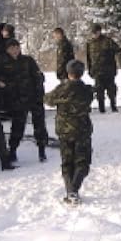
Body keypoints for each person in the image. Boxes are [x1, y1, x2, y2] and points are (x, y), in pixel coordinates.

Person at [45, 59, 95, 204]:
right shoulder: (86, 90)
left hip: (64, 131)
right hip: (82, 130)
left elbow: (48, 100)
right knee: (82, 162)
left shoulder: (61, 90)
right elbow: (91, 95)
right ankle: (74, 190)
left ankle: (70, 191)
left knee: (67, 162)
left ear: (68, 73)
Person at [0, 38, 50, 163]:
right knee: (17, 127)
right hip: (17, 101)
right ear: (7, 50)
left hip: (34, 98)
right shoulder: (3, 64)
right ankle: (12, 151)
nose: (15, 50)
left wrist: (39, 95)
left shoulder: (28, 60)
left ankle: (42, 151)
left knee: (40, 126)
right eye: (11, 48)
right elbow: (1, 81)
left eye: (16, 48)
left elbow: (38, 77)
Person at [86, 23, 121, 113]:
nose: (94, 34)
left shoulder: (107, 41)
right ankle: (101, 109)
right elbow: (88, 58)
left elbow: (118, 50)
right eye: (93, 33)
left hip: (109, 70)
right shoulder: (90, 43)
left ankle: (113, 106)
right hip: (97, 71)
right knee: (99, 90)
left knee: (111, 90)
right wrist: (90, 69)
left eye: (96, 32)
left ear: (100, 31)